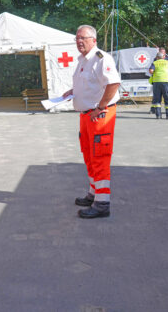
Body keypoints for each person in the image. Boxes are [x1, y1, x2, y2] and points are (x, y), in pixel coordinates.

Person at [63, 25, 120, 219]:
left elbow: (113, 83)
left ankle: (102, 203)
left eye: (83, 38)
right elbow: (89, 85)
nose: (79, 41)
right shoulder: (82, 61)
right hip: (86, 116)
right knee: (89, 156)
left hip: (99, 116)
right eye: (77, 38)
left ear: (93, 40)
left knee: (100, 157)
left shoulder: (101, 59)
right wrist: (72, 92)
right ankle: (93, 194)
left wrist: (100, 107)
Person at [148, 47, 168, 119]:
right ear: (163, 57)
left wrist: (155, 72)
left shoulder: (155, 62)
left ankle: (158, 115)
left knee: (157, 98)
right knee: (167, 97)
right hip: (166, 81)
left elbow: (151, 71)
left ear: (157, 57)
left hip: (157, 81)